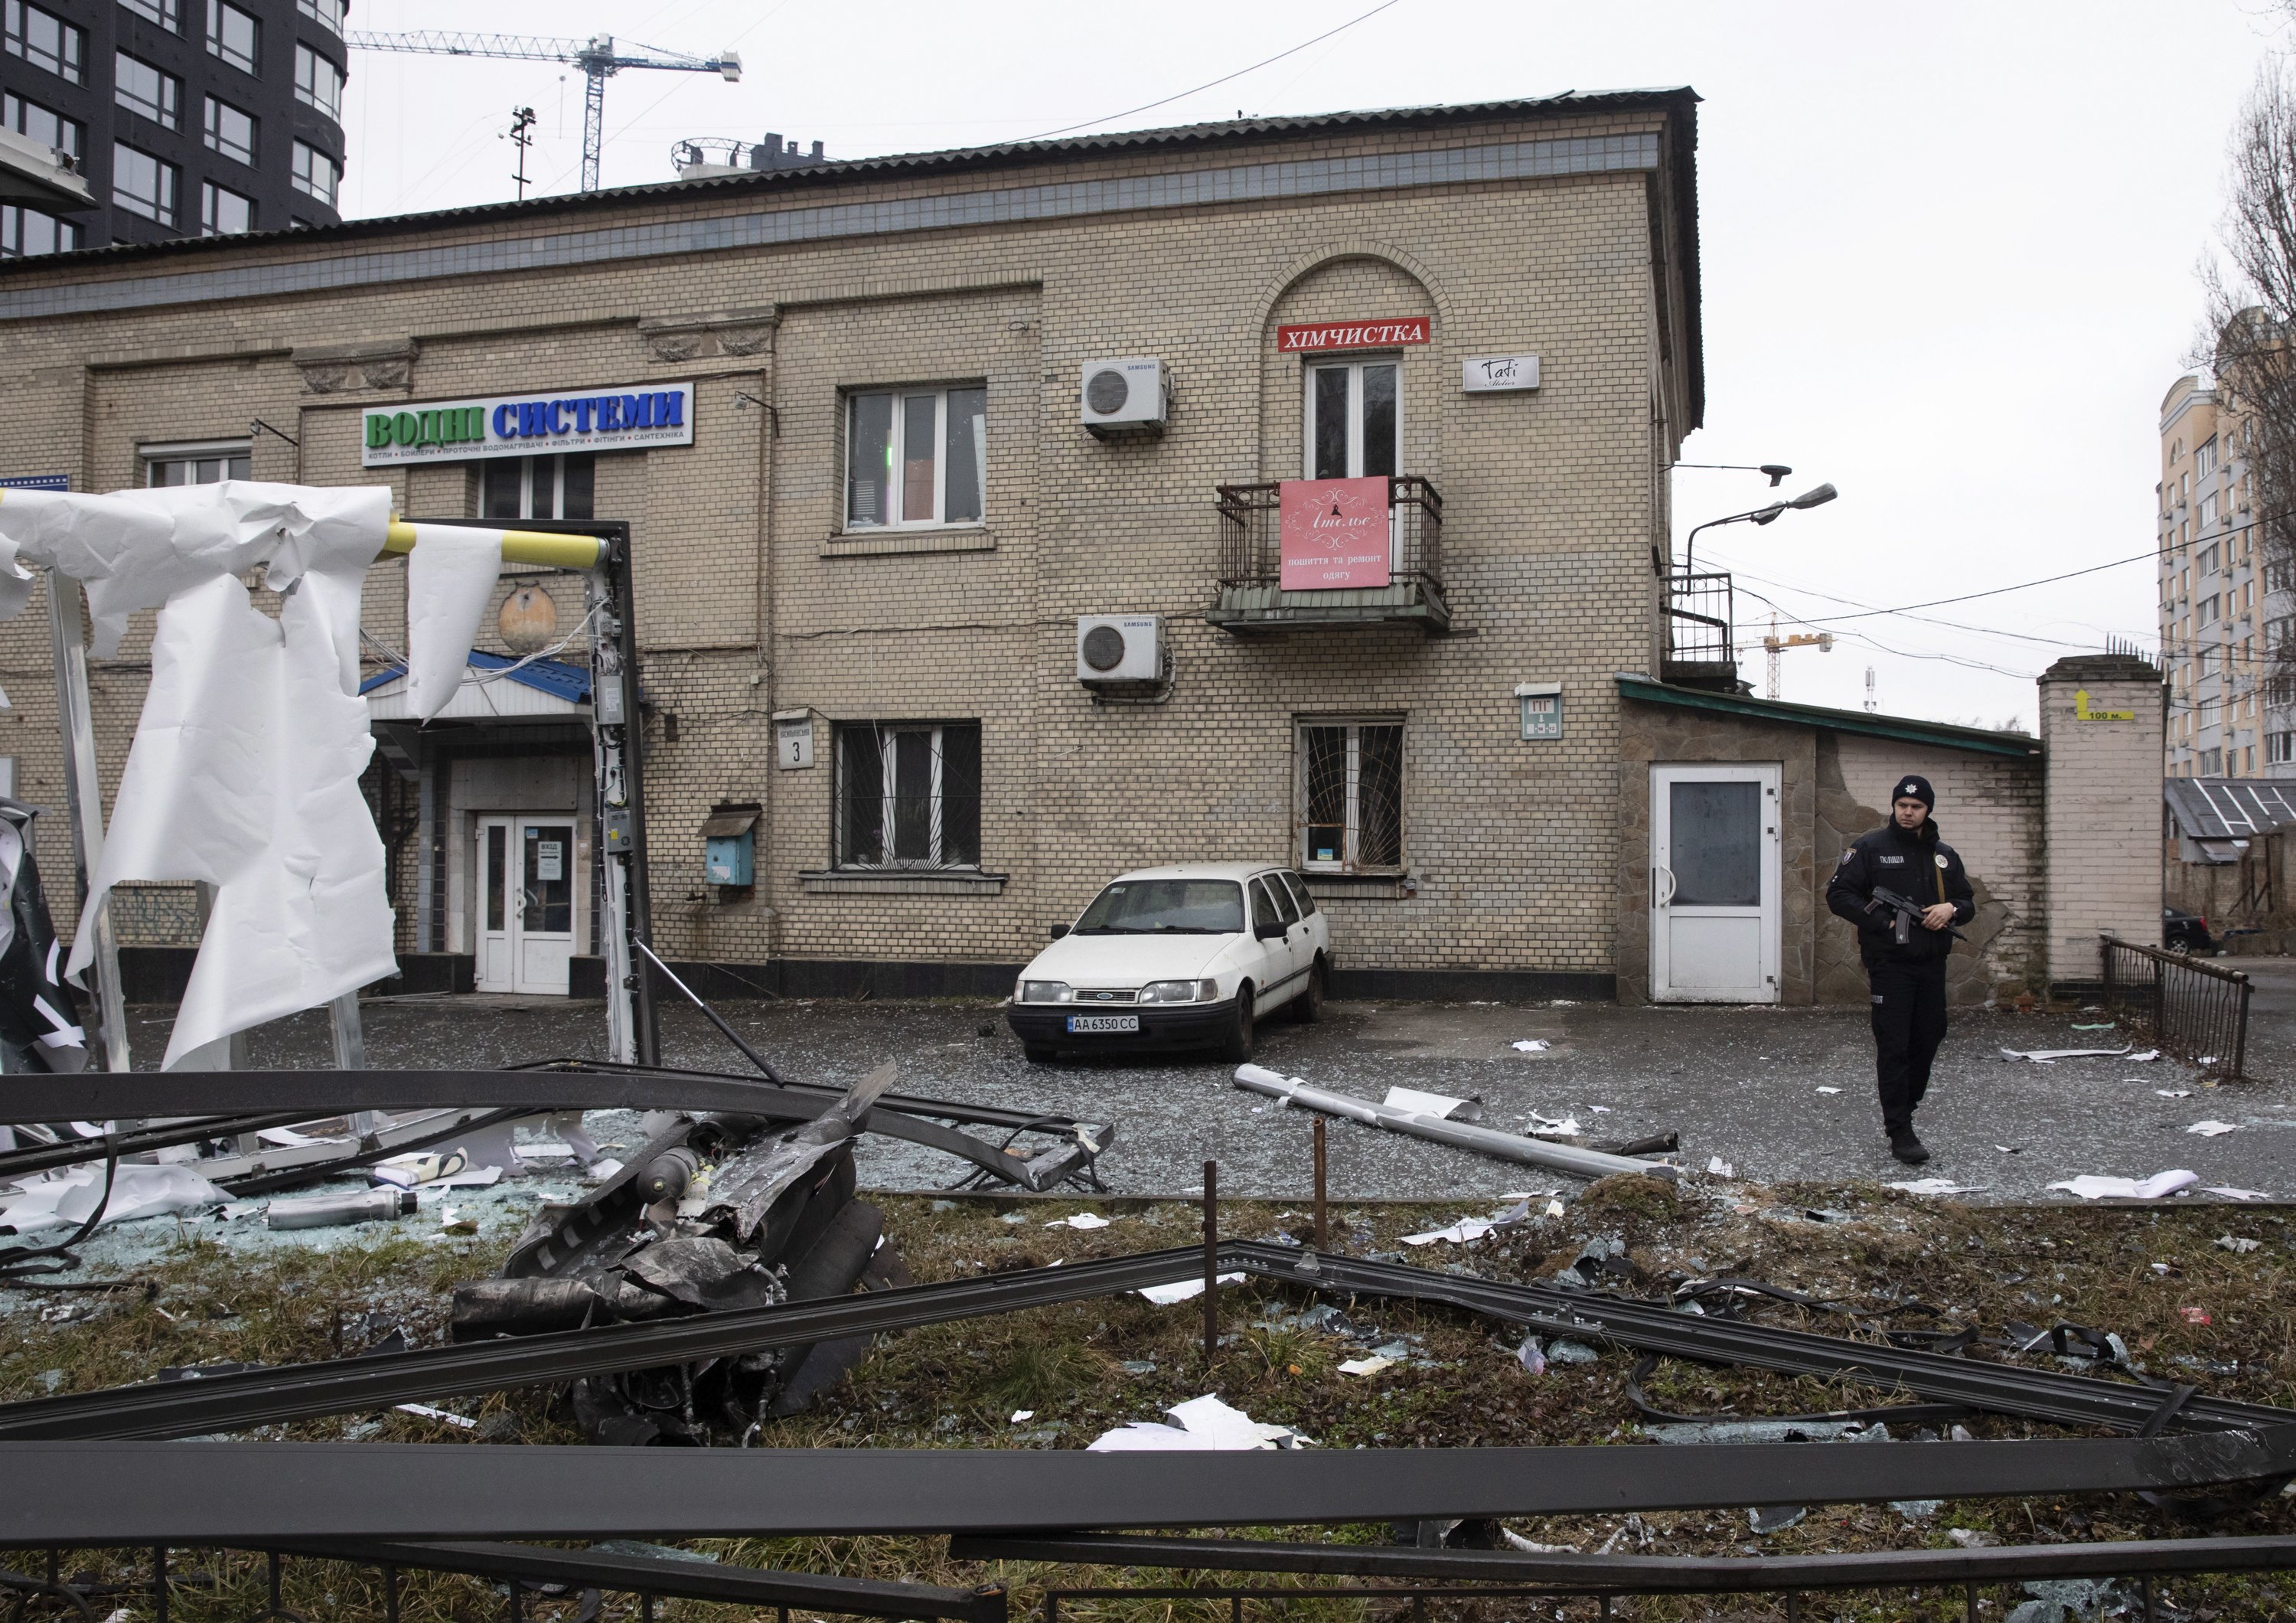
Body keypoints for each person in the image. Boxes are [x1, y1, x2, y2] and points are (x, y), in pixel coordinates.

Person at [1825, 774, 1975, 1164]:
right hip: (1890, 964)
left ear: (1928, 810)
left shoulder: (1943, 855)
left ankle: (1906, 1104)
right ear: (1894, 807)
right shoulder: (1871, 848)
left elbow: (1967, 901)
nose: (1908, 813)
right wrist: (1884, 924)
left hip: (1931, 963)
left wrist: (1951, 909)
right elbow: (1838, 895)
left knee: (1929, 1036)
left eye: (1916, 807)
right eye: (1902, 806)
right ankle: (1900, 1130)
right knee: (1894, 1044)